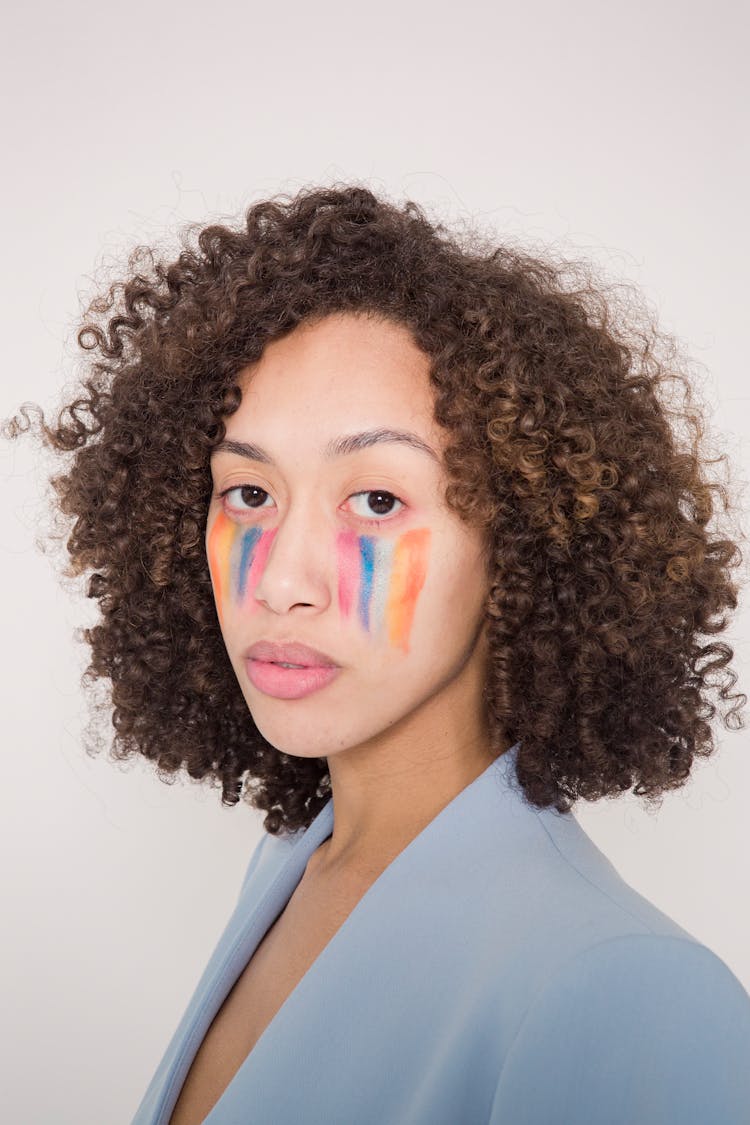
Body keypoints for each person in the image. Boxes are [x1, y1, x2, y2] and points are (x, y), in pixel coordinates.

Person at [5, 184, 750, 1123]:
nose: (280, 580)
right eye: (247, 493)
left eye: (378, 502)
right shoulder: (293, 862)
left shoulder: (629, 995)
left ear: (522, 541)